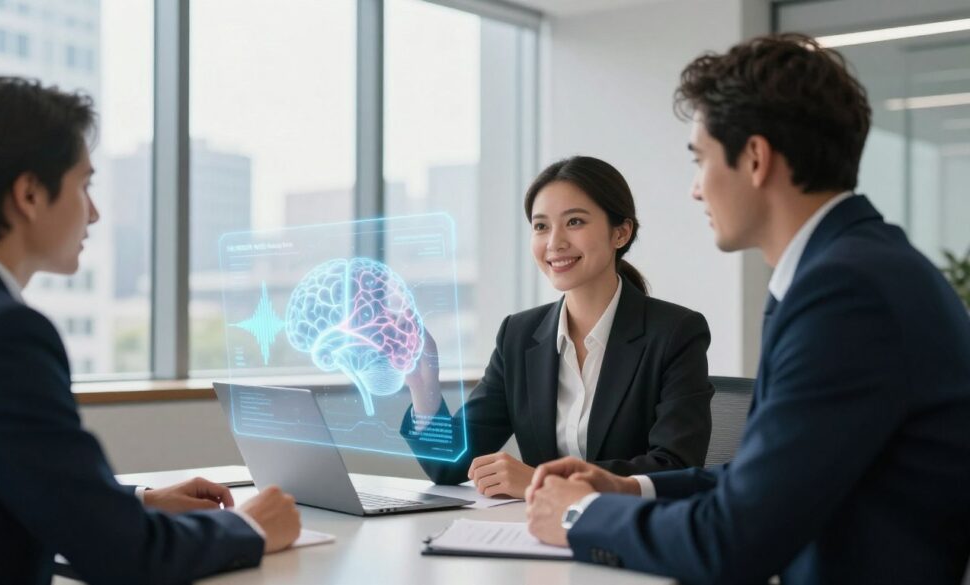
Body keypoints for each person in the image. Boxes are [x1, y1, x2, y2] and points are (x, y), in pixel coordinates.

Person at [524, 34, 970, 585]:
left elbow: (732, 540)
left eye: (701, 159)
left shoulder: (847, 292)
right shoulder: (852, 269)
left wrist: (577, 516)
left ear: (755, 159)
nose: (694, 189)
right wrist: (625, 487)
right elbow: (766, 484)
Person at [0, 77, 301, 584]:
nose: (94, 212)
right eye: (84, 184)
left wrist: (134, 503)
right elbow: (126, 557)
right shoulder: (1, 336)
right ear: (28, 193)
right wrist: (248, 528)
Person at [402, 155, 714, 498]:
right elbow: (448, 465)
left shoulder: (675, 333)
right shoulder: (518, 336)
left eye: (575, 222)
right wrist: (424, 387)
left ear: (621, 233)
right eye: (541, 226)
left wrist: (540, 482)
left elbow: (675, 467)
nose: (554, 242)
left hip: (630, 533)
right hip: (538, 536)